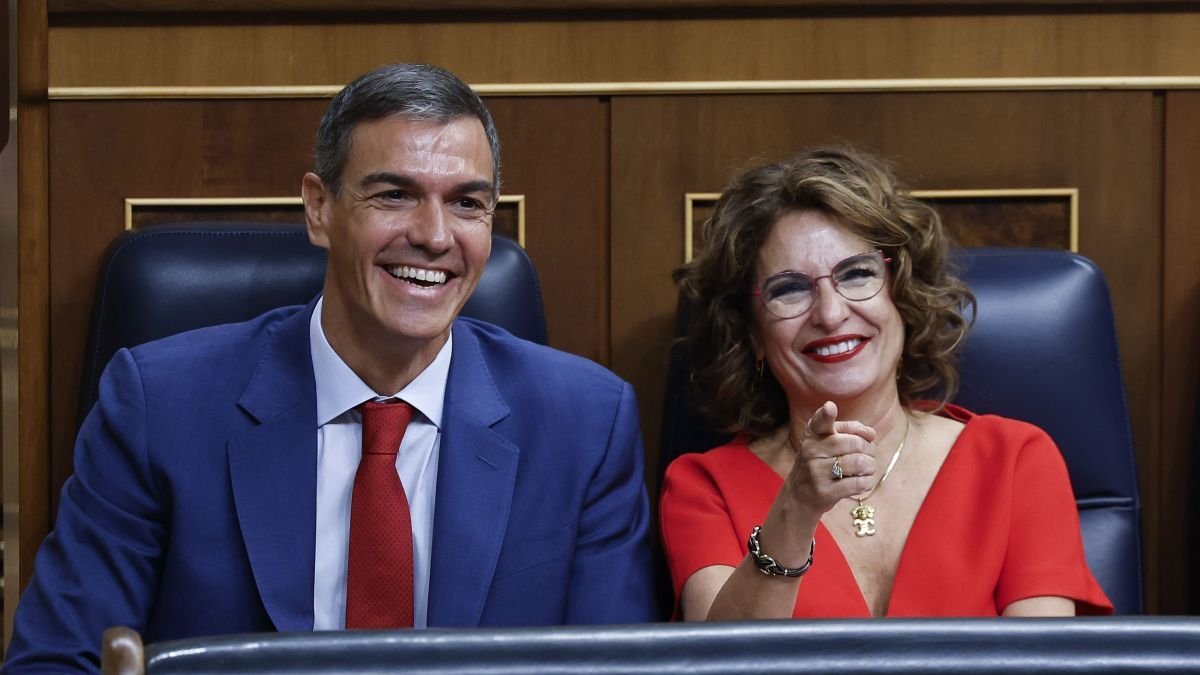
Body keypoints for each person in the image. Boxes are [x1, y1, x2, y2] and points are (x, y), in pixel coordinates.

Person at [4, 63, 655, 672]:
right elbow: (57, 659)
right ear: (319, 209)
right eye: (395, 194)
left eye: (466, 203)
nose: (434, 235)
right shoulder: (158, 405)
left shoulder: (586, 424)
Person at [660, 147, 1111, 619]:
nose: (831, 314)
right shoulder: (703, 486)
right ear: (752, 334)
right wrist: (795, 509)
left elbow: (1042, 667)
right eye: (790, 289)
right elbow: (723, 668)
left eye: (856, 274)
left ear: (903, 295)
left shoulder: (1015, 460)